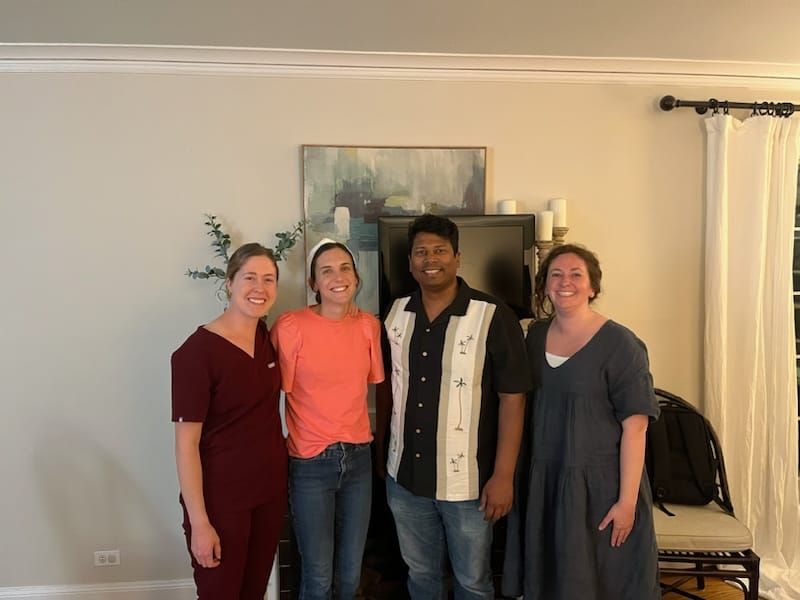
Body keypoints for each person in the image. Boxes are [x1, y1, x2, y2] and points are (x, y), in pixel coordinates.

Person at [375, 214, 530, 600]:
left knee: (472, 582)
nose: (430, 259)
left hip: (469, 485)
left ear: (458, 257)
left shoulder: (493, 315)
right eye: (421, 252)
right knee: (421, 576)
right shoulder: (394, 314)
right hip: (404, 479)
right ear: (410, 262)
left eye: (440, 250)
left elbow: (513, 399)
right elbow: (385, 388)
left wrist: (504, 476)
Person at [502, 243, 660, 600]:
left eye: (576, 274)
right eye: (556, 274)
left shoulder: (621, 344)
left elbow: (636, 428)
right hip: (544, 482)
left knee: (601, 582)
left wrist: (626, 503)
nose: (565, 282)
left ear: (592, 287)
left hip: (600, 490)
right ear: (545, 286)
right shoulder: (535, 337)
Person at [171, 242, 288, 600]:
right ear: (229, 283)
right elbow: (186, 445)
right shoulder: (196, 353)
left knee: (253, 592)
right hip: (221, 502)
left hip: (268, 495)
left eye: (268, 279)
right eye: (249, 277)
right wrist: (200, 523)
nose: (259, 288)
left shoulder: (266, 338)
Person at [270, 238, 384, 600]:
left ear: (356, 277)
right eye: (327, 271)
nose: (338, 277)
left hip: (359, 460)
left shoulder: (368, 326)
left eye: (345, 268)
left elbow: (371, 387)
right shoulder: (291, 327)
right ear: (313, 283)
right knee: (318, 576)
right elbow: (272, 393)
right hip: (310, 463)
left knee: (350, 574)